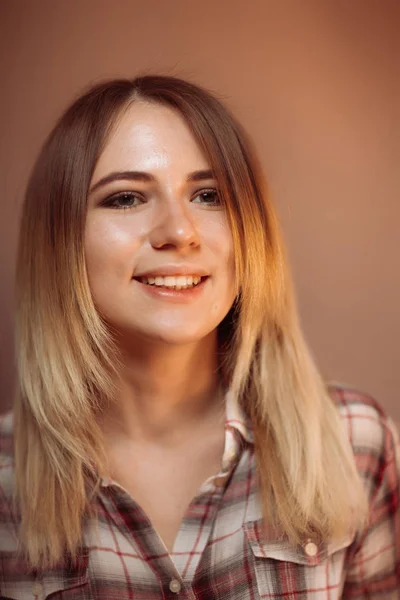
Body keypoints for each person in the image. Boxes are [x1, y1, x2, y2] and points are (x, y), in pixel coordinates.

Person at [0, 75, 399, 599]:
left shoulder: (358, 442)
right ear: (61, 240)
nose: (179, 231)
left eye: (209, 195)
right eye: (125, 198)